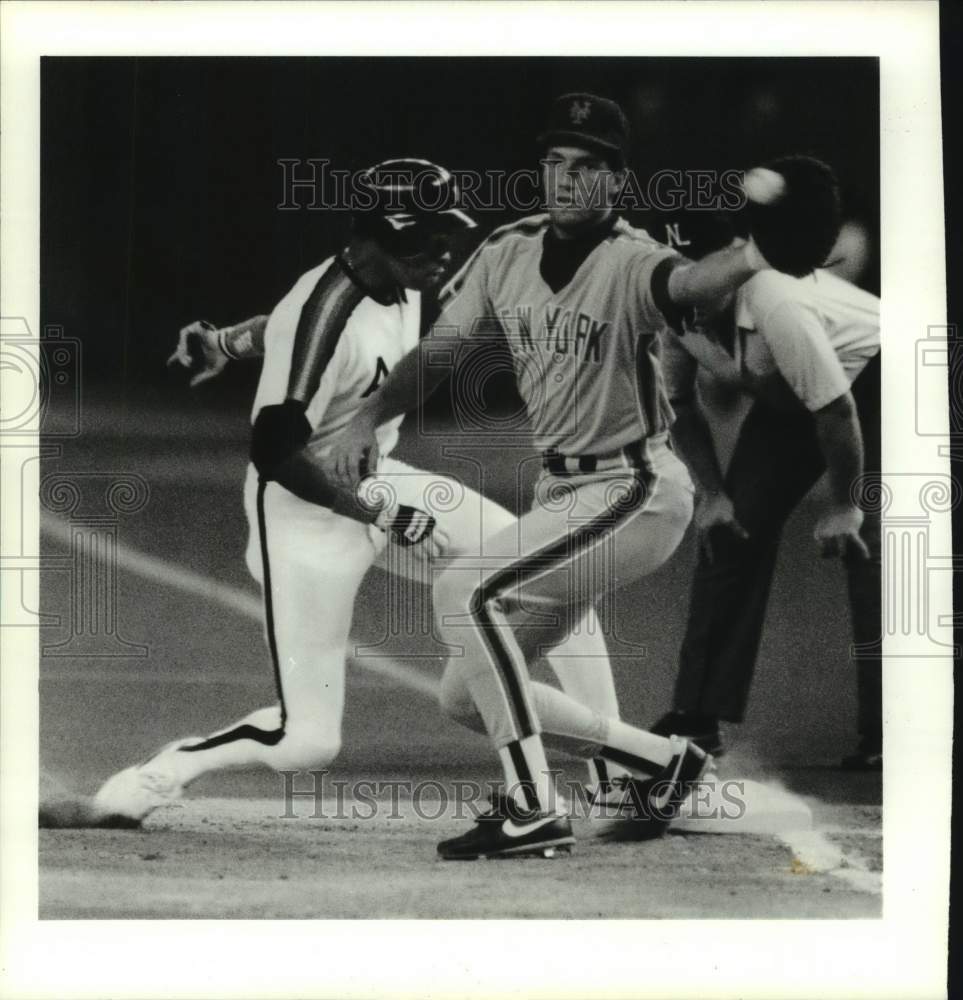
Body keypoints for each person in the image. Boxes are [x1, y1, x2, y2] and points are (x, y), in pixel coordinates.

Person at [93, 156, 700, 845]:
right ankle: (162, 773)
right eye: (424, 239)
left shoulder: (402, 277)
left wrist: (228, 341)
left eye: (447, 235)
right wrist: (378, 513)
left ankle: (622, 777)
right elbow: (275, 453)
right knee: (307, 742)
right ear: (371, 238)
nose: (443, 253)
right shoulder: (319, 314)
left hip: (378, 476)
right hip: (304, 512)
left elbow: (282, 329)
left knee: (558, 577)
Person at [324, 96, 840, 859]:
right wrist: (367, 417)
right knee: (466, 695)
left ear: (615, 181)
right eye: (554, 163)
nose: (565, 179)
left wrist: (757, 254)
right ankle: (667, 765)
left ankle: (532, 807)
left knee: (461, 589)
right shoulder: (506, 250)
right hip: (565, 499)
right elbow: (440, 352)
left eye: (586, 166)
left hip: (632, 491)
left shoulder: (631, 259)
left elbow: (690, 284)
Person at [647, 208, 881, 770]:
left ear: (736, 260)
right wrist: (712, 492)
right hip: (802, 399)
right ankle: (697, 716)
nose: (696, 282)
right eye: (684, 268)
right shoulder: (675, 312)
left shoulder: (776, 296)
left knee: (876, 548)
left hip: (880, 380)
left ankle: (893, 727)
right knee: (732, 526)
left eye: (709, 265)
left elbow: (838, 410)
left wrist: (844, 503)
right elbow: (679, 404)